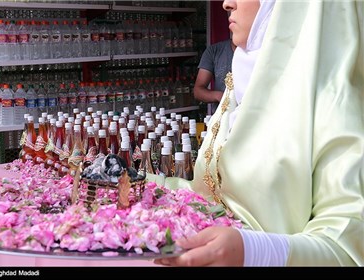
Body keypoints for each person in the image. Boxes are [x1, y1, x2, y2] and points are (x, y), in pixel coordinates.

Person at [152, 0, 364, 266]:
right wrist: (133, 182)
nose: (227, 4)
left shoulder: (336, 102)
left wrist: (256, 253)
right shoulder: (242, 83)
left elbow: (350, 245)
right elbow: (208, 196)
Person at [194, 37, 235, 114]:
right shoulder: (214, 51)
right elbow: (198, 91)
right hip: (222, 118)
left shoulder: (259, 53)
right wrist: (219, 96)